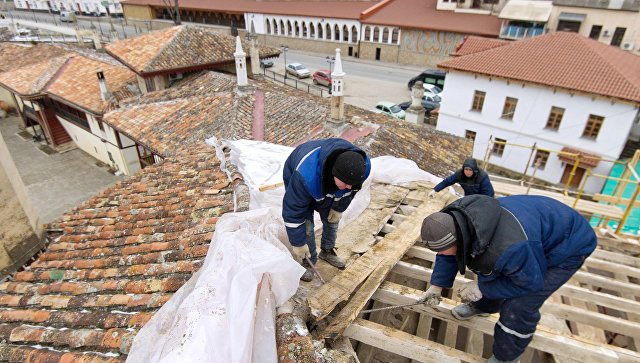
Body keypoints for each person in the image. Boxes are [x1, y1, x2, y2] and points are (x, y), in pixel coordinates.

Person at [418, 195, 596, 363]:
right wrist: (436, 286)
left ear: (458, 239)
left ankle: (507, 357)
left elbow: (530, 283)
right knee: (488, 267)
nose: (439, 254)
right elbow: (449, 255)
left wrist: (482, 288)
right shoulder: (454, 222)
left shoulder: (510, 248)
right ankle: (483, 306)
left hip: (569, 245)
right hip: (536, 231)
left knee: (520, 305)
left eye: (442, 250)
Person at [282, 138, 371, 281]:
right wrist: (298, 243)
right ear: (335, 173)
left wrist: (338, 208)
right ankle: (308, 262)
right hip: (298, 173)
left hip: (324, 180)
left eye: (352, 184)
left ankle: (328, 250)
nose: (349, 187)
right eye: (346, 183)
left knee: (332, 217)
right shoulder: (304, 176)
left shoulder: (361, 168)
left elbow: (349, 192)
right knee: (307, 225)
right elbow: (294, 211)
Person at [429, 158, 494, 198]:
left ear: (474, 170)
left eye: (470, 170)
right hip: (469, 197)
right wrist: (435, 190)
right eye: (466, 169)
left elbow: (488, 194)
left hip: (482, 198)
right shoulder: (459, 175)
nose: (468, 172)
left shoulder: (482, 177)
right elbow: (447, 181)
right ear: (463, 169)